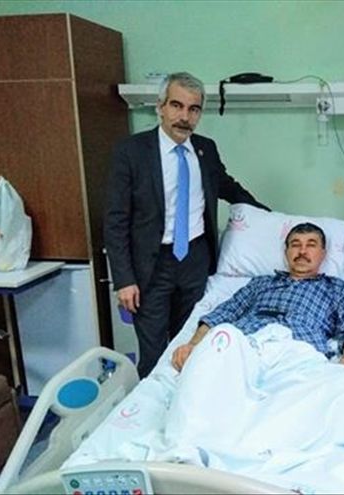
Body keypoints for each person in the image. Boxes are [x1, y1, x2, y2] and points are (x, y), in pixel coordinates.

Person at [105, 71, 268, 378]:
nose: (184, 117)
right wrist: (123, 279)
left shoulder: (206, 150)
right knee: (153, 352)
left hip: (195, 261)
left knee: (191, 345)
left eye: (193, 109)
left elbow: (228, 188)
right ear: (160, 107)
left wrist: (270, 217)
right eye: (176, 106)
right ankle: (149, 404)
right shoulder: (132, 152)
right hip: (150, 267)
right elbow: (115, 220)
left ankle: (184, 398)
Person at [171, 222, 344, 371]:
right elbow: (222, 314)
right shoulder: (261, 283)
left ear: (323, 253)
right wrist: (193, 345)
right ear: (286, 252)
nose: (302, 251)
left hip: (297, 354)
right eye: (295, 244)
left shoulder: (337, 288)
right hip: (243, 349)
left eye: (311, 245)